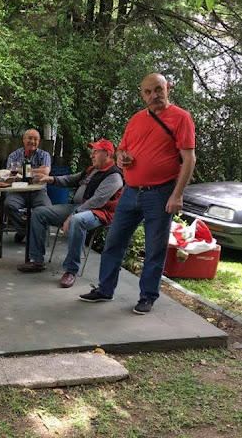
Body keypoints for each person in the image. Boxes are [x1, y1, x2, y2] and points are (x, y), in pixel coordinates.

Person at [79, 73, 196, 314]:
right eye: (148, 92)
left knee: (155, 249)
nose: (154, 95)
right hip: (130, 191)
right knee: (114, 242)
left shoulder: (181, 118)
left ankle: (147, 296)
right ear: (142, 95)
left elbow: (189, 159)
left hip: (160, 193)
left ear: (168, 88)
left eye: (158, 89)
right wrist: (122, 158)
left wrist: (177, 195)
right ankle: (105, 289)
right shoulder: (136, 119)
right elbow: (122, 150)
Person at [17, 139, 123, 288]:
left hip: (99, 212)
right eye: (92, 152)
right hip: (78, 207)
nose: (91, 155)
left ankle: (70, 270)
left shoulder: (114, 176)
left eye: (96, 152)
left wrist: (73, 215)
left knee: (77, 220)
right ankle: (37, 261)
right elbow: (70, 179)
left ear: (108, 154)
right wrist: (50, 179)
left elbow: (97, 201)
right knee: (39, 212)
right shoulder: (92, 169)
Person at [4, 129, 52, 242]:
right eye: (30, 138)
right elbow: (10, 174)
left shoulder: (44, 155)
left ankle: (28, 231)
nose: (33, 142)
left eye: (36, 139)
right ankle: (26, 229)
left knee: (47, 208)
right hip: (18, 191)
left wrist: (21, 170)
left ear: (39, 141)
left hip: (38, 192)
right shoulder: (14, 155)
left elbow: (45, 172)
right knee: (8, 205)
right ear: (23, 140)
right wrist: (37, 170)